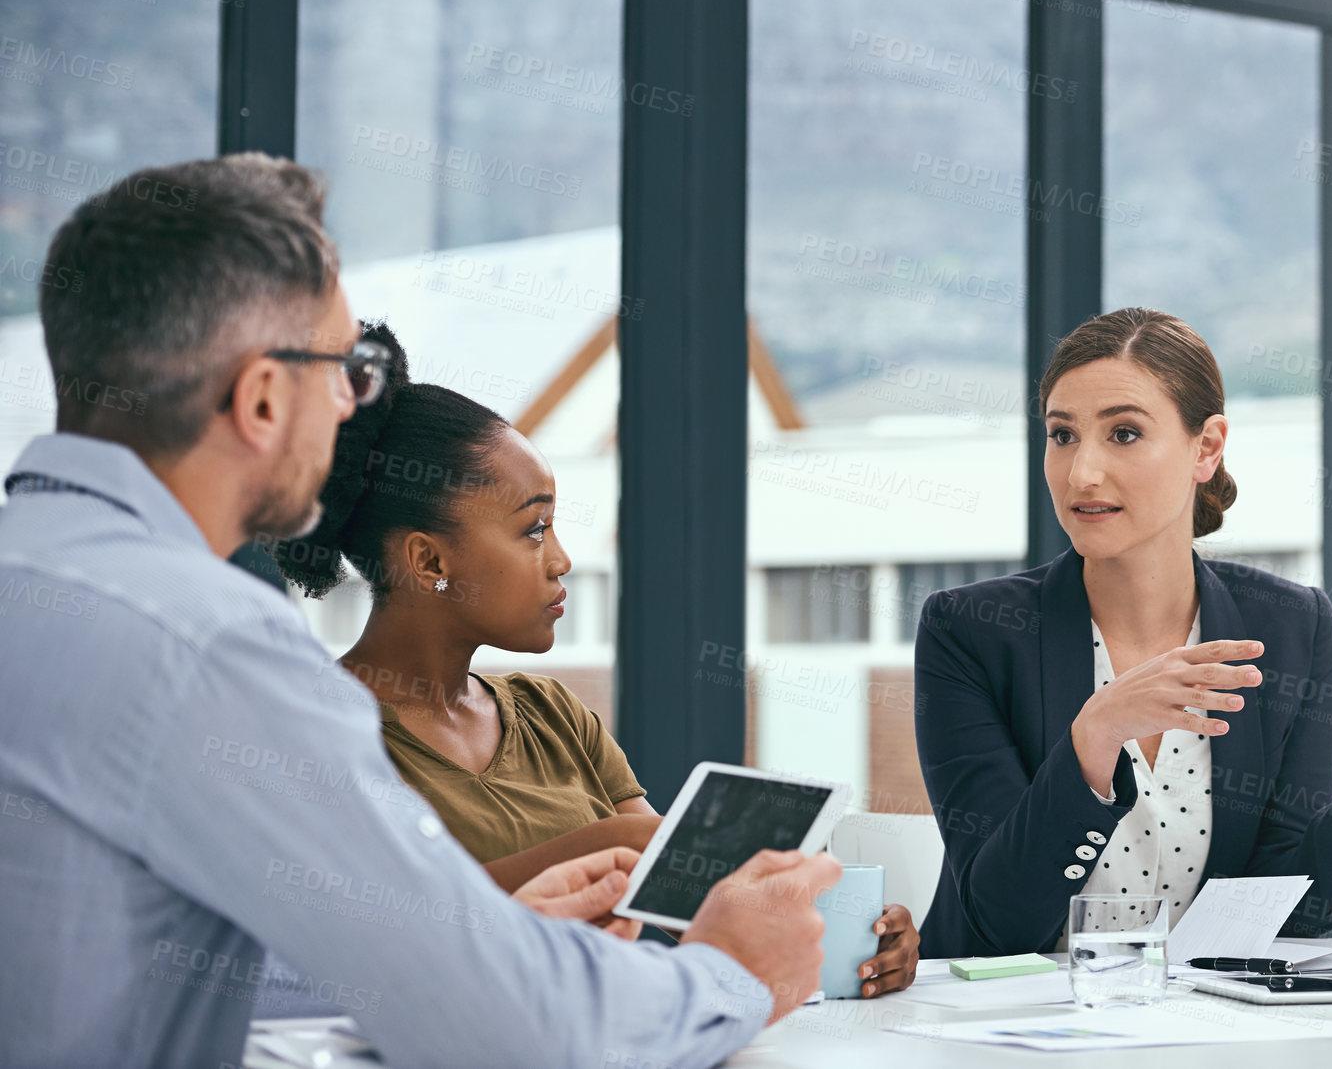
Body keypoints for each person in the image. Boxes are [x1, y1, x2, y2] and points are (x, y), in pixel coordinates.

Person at [0, 154, 839, 1068]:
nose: (353, 404)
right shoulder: (210, 643)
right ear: (263, 397)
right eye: (344, 367)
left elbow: (123, 947)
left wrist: (488, 937)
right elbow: (511, 1030)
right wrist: (732, 972)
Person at [265, 320, 921, 996]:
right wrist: (600, 843)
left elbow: (679, 883)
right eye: (533, 529)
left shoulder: (553, 714)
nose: (561, 560)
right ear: (430, 559)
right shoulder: (322, 731)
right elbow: (384, 925)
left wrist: (859, 933)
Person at [914, 308, 1332, 958]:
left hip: (1196, 1033)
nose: (1080, 474)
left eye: (1123, 433)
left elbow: (1291, 905)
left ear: (1206, 446)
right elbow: (999, 917)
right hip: (1006, 1032)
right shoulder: (970, 633)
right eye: (1062, 434)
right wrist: (1093, 736)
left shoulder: (1290, 625)